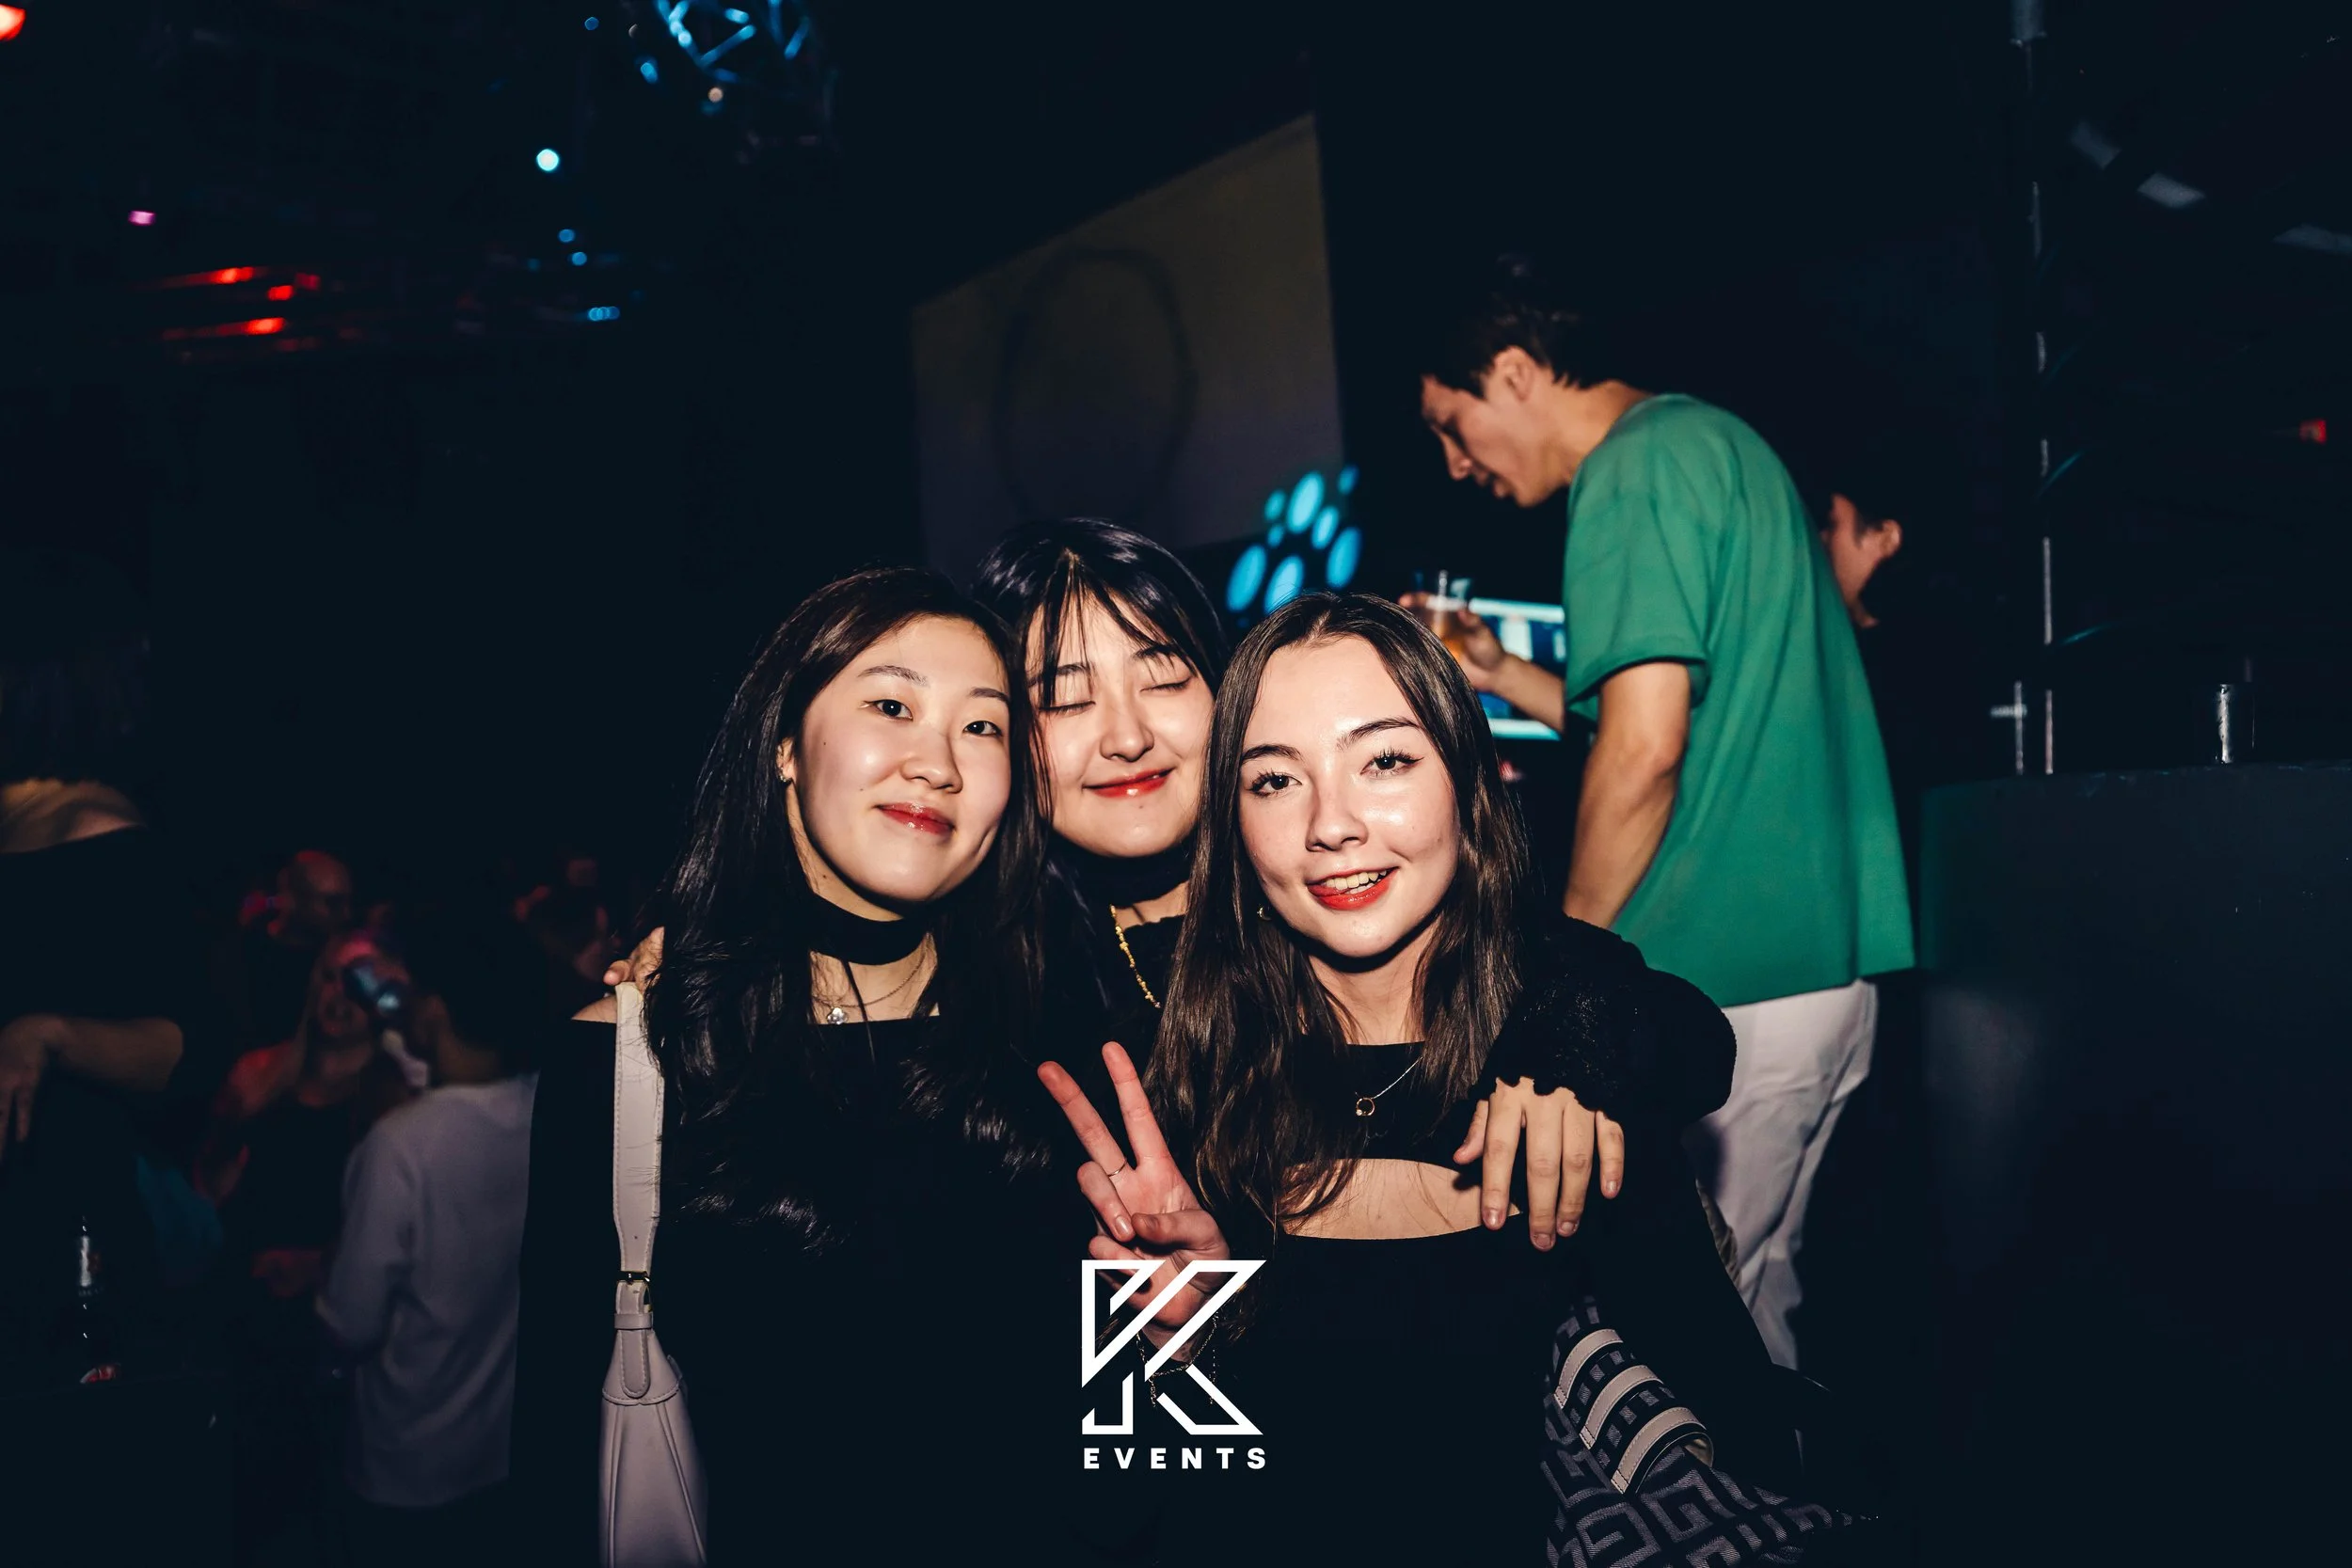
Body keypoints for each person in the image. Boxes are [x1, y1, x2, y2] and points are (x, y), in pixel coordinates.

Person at [1039, 594, 1790, 1563]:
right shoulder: (1177, 1081)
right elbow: (1120, 1504)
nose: (1331, 824)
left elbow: (1736, 1439)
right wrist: (1177, 1350)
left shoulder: (1564, 1050)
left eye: (1384, 760)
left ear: (1467, 783)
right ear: (1232, 820)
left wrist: (1576, 1034)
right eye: (1275, 779)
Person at [512, 567, 1104, 1562]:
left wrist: (1188, 1323)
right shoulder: (634, 1059)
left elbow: (1150, 1444)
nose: (937, 763)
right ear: (784, 745)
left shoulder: (1061, 1039)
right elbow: (552, 1456)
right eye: (891, 705)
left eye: (982, 726)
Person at [1412, 255, 1914, 1368]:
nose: (1453, 463)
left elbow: (1644, 753)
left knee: (1674, 1348)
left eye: (1452, 425)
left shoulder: (1628, 470)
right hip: (1820, 973)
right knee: (1755, 1309)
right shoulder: (1716, 442)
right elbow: (1665, 715)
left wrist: (1562, 972)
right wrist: (1496, 669)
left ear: (1514, 371)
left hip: (1721, 981)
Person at [971, 517, 1628, 1249]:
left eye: (1163, 678)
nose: (1128, 737)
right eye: (1065, 698)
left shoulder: (1339, 900)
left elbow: (1629, 998)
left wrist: (1565, 1039)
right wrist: (1192, 1300)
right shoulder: (1001, 1005)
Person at [318, 905, 542, 1568]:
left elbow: (350, 1324)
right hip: (503, 1453)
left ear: (436, 1011)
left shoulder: (402, 1144)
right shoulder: (544, 1110)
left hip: (405, 1468)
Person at [225, 849, 358, 1054]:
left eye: (348, 902)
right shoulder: (237, 955)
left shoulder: (340, 961)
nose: (346, 914)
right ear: (292, 899)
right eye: (333, 903)